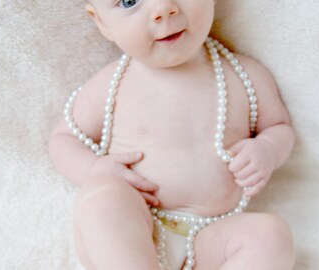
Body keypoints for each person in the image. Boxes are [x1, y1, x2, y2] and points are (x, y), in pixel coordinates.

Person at [48, 0, 296, 269]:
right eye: (130, 1)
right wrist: (94, 169)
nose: (163, 9)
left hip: (211, 237)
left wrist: (267, 150)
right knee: (100, 197)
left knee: (271, 235)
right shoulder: (112, 84)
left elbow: (278, 127)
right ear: (103, 24)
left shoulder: (244, 74)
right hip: (134, 231)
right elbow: (63, 139)